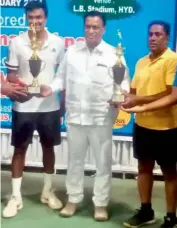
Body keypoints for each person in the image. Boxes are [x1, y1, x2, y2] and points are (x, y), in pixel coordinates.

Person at [40, 11, 130, 221]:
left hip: (101, 117)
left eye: (95, 27)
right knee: (74, 162)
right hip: (76, 118)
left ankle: (100, 203)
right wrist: (49, 89)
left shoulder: (112, 54)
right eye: (88, 26)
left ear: (103, 29)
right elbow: (60, 79)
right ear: (84, 28)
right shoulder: (72, 52)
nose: (91, 30)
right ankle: (73, 199)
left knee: (103, 164)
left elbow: (124, 81)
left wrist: (122, 94)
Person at [2, 0, 65, 218]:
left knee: (49, 148)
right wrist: (23, 87)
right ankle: (16, 196)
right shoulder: (16, 42)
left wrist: (61, 106)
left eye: (38, 17)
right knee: (19, 149)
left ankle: (47, 191)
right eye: (30, 18)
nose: (34, 22)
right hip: (23, 105)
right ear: (25, 18)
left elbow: (62, 76)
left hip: (50, 106)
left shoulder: (58, 42)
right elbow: (10, 75)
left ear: (45, 18)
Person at [112, 21, 177, 228]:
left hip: (168, 127)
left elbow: (170, 94)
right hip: (143, 126)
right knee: (143, 169)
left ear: (167, 37)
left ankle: (170, 217)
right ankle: (146, 211)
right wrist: (121, 99)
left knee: (169, 173)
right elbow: (133, 93)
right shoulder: (140, 62)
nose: (153, 38)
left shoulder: (173, 60)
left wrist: (138, 102)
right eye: (150, 34)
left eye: (158, 34)